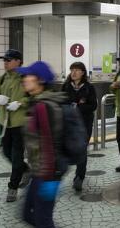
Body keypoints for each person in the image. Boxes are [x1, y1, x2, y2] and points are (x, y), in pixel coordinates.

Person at [17, 61, 65, 228]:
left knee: (41, 219)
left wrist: (50, 178)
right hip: (38, 171)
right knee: (28, 215)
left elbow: (50, 143)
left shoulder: (43, 107)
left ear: (40, 80)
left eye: (28, 75)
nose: (24, 79)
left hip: (46, 174)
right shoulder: (37, 103)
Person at [0, 49, 29, 202]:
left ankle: (13, 187)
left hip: (20, 123)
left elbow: (35, 97)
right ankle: (26, 170)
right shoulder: (3, 78)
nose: (5, 62)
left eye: (9, 60)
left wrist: (20, 103)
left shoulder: (26, 77)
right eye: (4, 60)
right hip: (5, 123)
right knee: (6, 152)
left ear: (18, 61)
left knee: (17, 156)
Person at [63, 62, 97, 191]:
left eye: (77, 70)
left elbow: (93, 106)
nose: (73, 73)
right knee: (69, 148)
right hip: (69, 124)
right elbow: (62, 102)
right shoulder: (66, 87)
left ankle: (79, 177)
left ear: (83, 72)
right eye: (72, 70)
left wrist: (77, 106)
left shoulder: (89, 88)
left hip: (84, 124)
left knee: (82, 149)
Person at [110, 57, 120, 172]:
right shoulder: (118, 74)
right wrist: (113, 86)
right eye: (119, 62)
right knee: (119, 138)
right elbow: (112, 88)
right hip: (119, 112)